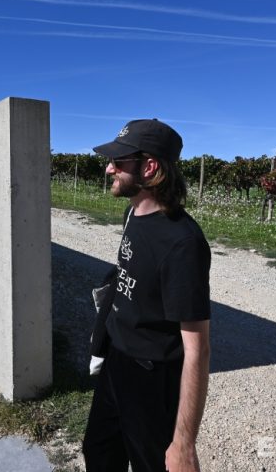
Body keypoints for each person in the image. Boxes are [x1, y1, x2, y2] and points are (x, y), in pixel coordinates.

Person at [83, 119, 211, 472]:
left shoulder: (183, 243)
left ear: (149, 167)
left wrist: (184, 444)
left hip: (152, 379)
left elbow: (197, 349)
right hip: (116, 363)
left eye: (119, 161)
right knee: (98, 452)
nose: (109, 168)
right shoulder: (132, 213)